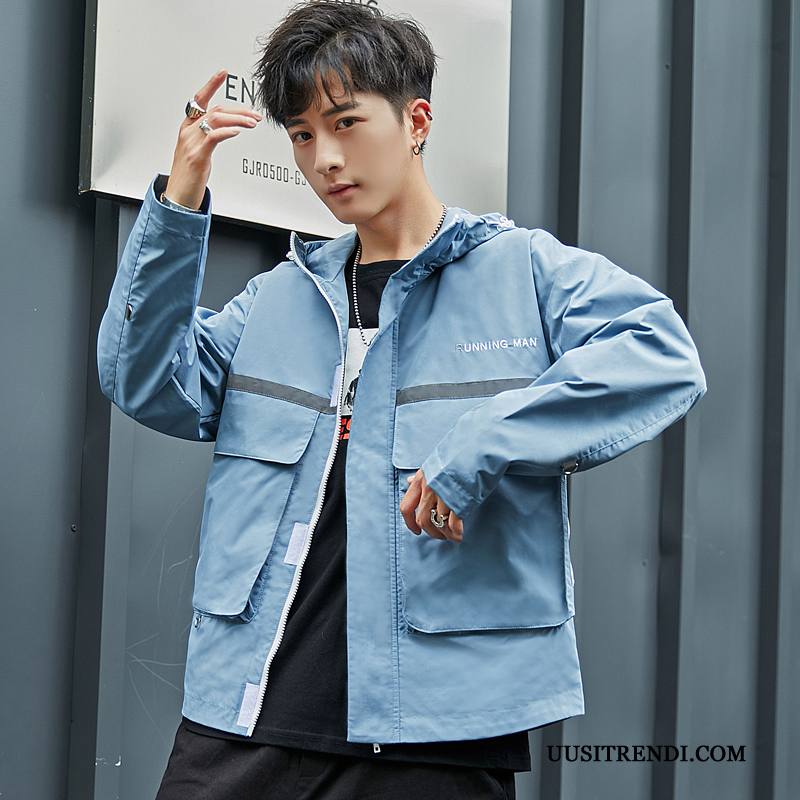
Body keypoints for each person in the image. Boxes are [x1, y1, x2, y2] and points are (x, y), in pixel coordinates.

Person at [96, 2, 707, 798]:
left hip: (437, 739)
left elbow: (660, 355)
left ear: (416, 122)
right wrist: (178, 206)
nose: (324, 158)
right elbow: (144, 378)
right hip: (243, 726)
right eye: (302, 135)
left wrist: (482, 443)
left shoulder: (522, 272)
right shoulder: (278, 300)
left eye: (346, 123)